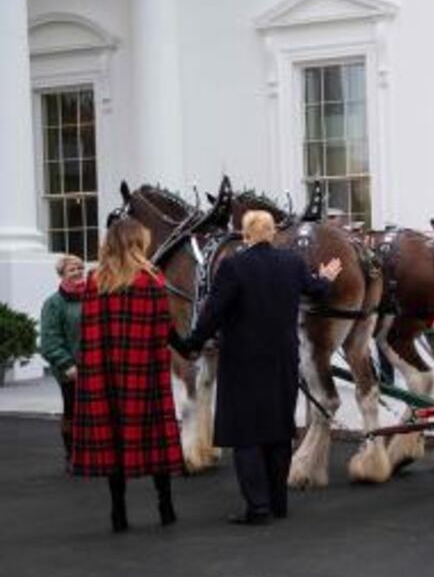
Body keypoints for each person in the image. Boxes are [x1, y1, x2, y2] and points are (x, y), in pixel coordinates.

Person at [179, 211, 341, 525]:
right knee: (279, 432)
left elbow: (213, 312)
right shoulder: (292, 263)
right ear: (272, 233)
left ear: (245, 235)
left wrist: (193, 342)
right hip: (283, 360)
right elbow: (315, 290)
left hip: (243, 362)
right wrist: (326, 278)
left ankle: (258, 507)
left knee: (247, 435)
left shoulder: (233, 266)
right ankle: (278, 503)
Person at [71, 218, 184, 533]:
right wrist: (188, 348)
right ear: (137, 242)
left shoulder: (95, 281)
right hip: (143, 374)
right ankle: (166, 507)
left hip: (104, 375)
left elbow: (88, 332)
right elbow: (166, 327)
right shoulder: (151, 280)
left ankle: (117, 513)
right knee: (156, 439)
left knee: (114, 440)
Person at [39, 254, 85, 464]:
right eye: (71, 269)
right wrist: (67, 364)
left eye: (79, 268)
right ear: (62, 274)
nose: (77, 272)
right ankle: (72, 455)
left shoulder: (91, 297)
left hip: (93, 366)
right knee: (73, 410)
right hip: (70, 370)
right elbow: (50, 340)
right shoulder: (53, 304)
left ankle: (92, 454)